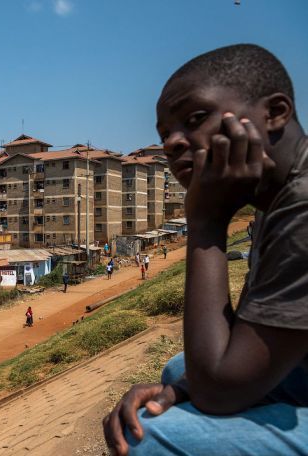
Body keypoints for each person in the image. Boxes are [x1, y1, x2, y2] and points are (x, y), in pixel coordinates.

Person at [103, 44, 308, 455]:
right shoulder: (275, 200)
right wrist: (182, 390)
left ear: (275, 113)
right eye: (165, 135)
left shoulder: (302, 207)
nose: (173, 144)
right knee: (180, 372)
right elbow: (240, 335)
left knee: (149, 439)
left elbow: (218, 391)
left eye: (195, 120)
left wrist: (205, 223)